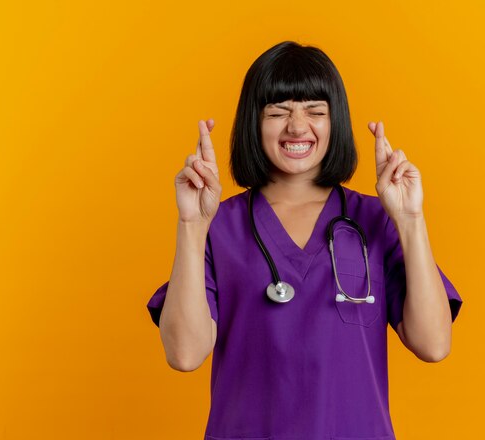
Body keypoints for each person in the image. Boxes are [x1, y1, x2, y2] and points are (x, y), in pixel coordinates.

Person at [147, 40, 463, 440]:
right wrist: (192, 224)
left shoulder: (376, 220)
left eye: (315, 111)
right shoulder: (218, 228)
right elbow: (184, 354)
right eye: (278, 112)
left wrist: (411, 219)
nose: (297, 127)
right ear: (253, 123)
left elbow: (434, 344)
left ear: (336, 123)